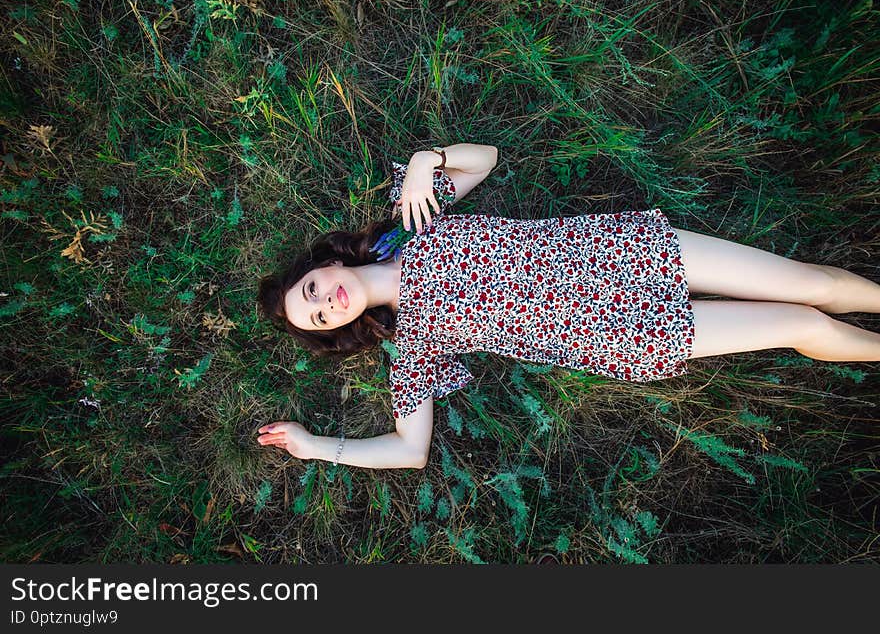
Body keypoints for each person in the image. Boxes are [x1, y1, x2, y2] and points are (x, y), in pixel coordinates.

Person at [256, 143, 880, 470]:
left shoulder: (413, 216)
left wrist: (426, 163)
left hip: (623, 251)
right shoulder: (414, 348)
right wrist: (318, 447)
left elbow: (487, 158)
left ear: (328, 264)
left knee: (809, 282)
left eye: (313, 290)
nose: (326, 304)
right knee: (800, 324)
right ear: (338, 332)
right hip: (619, 332)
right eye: (319, 319)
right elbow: (408, 450)